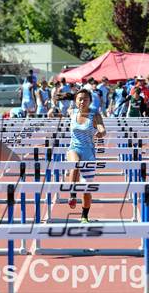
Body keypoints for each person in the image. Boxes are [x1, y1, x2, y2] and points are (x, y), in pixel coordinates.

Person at [57, 89, 106, 223]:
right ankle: (72, 194)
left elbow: (102, 128)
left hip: (89, 153)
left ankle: (84, 216)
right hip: (74, 148)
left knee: (86, 191)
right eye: (80, 99)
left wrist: (101, 133)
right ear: (75, 100)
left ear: (90, 101)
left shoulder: (95, 115)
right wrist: (53, 111)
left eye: (85, 99)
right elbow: (56, 113)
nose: (82, 101)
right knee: (75, 163)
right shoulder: (72, 112)